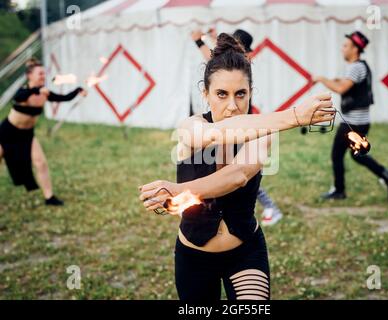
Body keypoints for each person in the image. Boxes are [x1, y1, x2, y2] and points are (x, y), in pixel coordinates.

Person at [139, 33, 335, 301]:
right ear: (205, 94)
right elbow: (215, 134)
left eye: (241, 94)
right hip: (193, 256)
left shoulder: (263, 131)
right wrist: (293, 116)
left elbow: (238, 175)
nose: (232, 105)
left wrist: (178, 190)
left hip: (244, 252)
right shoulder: (190, 127)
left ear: (251, 93)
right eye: (221, 94)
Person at [191, 28, 284, 226]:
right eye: (222, 94)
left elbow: (211, 59)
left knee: (240, 176)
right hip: (228, 128)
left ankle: (270, 208)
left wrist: (199, 41)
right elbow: (216, 60)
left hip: (241, 130)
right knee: (231, 177)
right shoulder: (232, 68)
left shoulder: (241, 69)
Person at [313, 31, 388, 201]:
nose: (342, 49)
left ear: (355, 49)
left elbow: (341, 89)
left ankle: (340, 191)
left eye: (346, 46)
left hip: (353, 123)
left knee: (338, 155)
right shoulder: (361, 66)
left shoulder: (356, 67)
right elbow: (348, 84)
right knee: (358, 155)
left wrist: (322, 79)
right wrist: (336, 80)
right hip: (360, 121)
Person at [0, 58, 87, 206]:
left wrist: (77, 90)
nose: (43, 76)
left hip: (27, 134)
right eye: (39, 73)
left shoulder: (44, 94)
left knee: (40, 163)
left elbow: (63, 98)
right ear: (30, 76)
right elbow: (20, 97)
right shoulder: (24, 91)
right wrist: (36, 90)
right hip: (8, 131)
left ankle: (49, 197)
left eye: (44, 74)